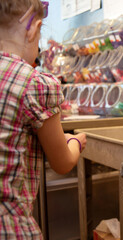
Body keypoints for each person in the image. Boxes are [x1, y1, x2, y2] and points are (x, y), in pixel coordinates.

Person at [0, 1, 87, 238]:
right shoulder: (34, 84)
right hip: (10, 227)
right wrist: (76, 142)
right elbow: (62, 163)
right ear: (33, 29)